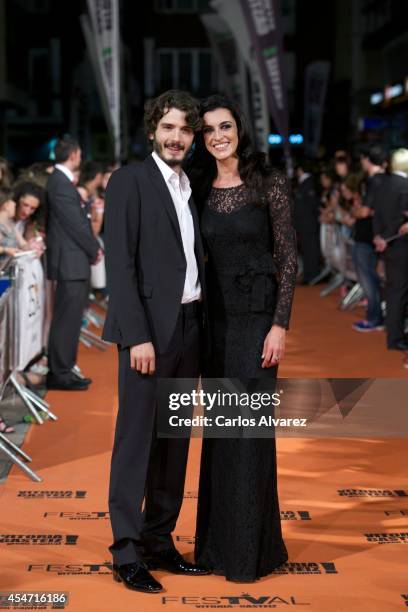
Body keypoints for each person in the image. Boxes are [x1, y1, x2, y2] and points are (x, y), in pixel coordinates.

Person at [102, 90, 209, 594]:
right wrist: (136, 335)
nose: (176, 138)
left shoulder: (191, 184)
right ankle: (126, 550)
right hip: (147, 332)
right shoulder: (129, 180)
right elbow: (119, 265)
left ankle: (160, 539)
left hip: (190, 327)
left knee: (175, 441)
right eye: (168, 128)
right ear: (152, 131)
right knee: (136, 441)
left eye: (185, 130)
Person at [192, 95, 297, 582]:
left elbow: (289, 258)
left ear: (240, 129)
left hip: (257, 322)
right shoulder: (198, 187)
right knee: (220, 434)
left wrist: (280, 324)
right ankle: (216, 548)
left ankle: (252, 552)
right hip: (216, 325)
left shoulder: (266, 182)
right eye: (209, 129)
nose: (218, 135)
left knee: (250, 434)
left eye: (225, 126)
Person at [46, 137, 101, 391]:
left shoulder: (61, 182)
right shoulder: (59, 182)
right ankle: (60, 373)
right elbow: (75, 225)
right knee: (66, 319)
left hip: (73, 260)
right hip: (70, 261)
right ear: (75, 155)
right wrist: (94, 249)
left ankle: (65, 369)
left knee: (70, 318)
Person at [373, 148, 408, 353]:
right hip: (401, 245)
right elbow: (401, 219)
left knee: (394, 291)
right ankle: (396, 338)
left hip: (388, 246)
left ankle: (394, 336)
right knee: (399, 293)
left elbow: (377, 214)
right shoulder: (404, 185)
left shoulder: (383, 184)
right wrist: (387, 237)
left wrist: (378, 236)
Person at [351, 146, 387, 332]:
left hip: (366, 237)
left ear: (366, 159)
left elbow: (364, 211)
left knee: (369, 280)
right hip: (379, 236)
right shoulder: (389, 180)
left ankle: (374, 318)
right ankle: (378, 317)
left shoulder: (374, 182)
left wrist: (356, 211)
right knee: (375, 279)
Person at [294, 160, 321, 283]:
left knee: (310, 250)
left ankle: (312, 276)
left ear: (300, 170)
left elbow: (310, 205)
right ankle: (310, 275)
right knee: (308, 249)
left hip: (307, 223)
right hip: (307, 223)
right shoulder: (307, 183)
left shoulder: (308, 183)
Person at [0, 188, 27, 260]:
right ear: (6, 205)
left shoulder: (11, 224)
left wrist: (32, 248)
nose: (15, 204)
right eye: (13, 201)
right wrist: (5, 250)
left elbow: (23, 243)